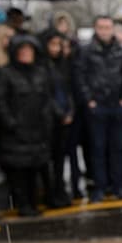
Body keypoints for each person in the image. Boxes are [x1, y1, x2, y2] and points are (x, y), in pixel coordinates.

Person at [0, 35, 60, 216]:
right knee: (20, 172)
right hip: (17, 131)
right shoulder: (6, 73)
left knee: (36, 168)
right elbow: (0, 101)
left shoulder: (40, 72)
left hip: (38, 129)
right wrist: (10, 123)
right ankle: (23, 204)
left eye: (29, 50)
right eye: (22, 51)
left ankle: (34, 203)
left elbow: (47, 97)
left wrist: (47, 120)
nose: (25, 54)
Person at [75, 15, 122, 202]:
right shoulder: (86, 51)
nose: (105, 31)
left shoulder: (121, 51)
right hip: (97, 106)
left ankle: (118, 186)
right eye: (101, 27)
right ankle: (99, 187)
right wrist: (89, 100)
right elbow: (80, 77)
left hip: (117, 105)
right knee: (97, 149)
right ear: (95, 28)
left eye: (108, 27)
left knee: (118, 148)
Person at [41, 28, 74, 207]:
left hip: (65, 117)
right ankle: (51, 193)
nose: (56, 48)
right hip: (50, 119)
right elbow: (46, 94)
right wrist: (60, 113)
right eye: (52, 44)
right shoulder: (42, 66)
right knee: (50, 159)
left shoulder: (63, 64)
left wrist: (69, 111)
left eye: (58, 45)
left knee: (61, 158)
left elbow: (68, 90)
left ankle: (60, 190)